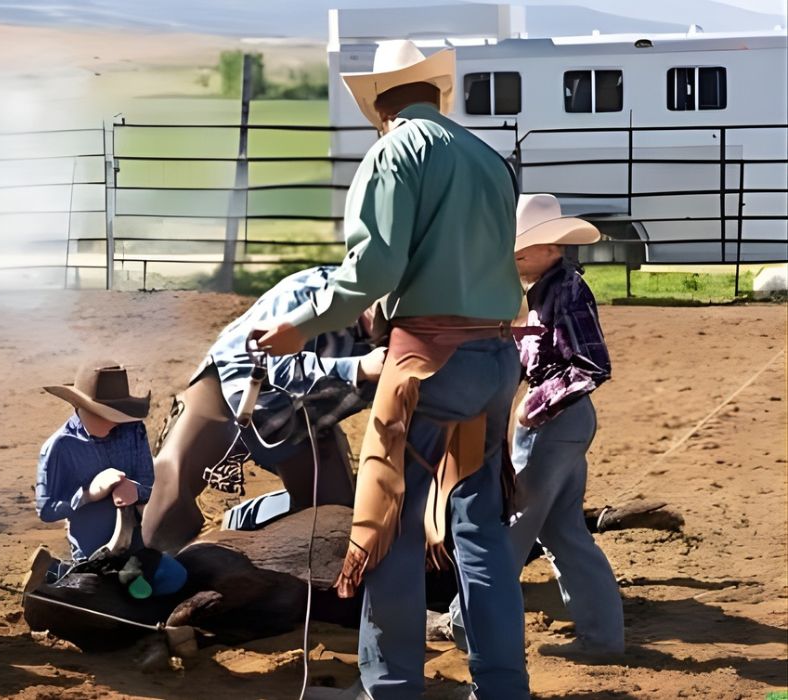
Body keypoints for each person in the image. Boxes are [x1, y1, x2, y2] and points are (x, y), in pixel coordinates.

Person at [253, 40, 528, 698]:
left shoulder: (394, 151)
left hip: (426, 364)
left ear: (380, 104)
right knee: (480, 533)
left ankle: (394, 686)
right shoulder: (490, 161)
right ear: (435, 94)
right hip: (494, 358)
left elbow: (373, 269)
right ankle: (502, 685)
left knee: (390, 532)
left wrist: (301, 325)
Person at [448, 194, 624, 657]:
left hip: (554, 424)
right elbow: (550, 353)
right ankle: (602, 638)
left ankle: (463, 624)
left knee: (514, 524)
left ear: (550, 248)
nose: (517, 263)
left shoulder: (566, 290)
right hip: (562, 424)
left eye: (522, 254)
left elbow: (592, 364)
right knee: (564, 532)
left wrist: (537, 403)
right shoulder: (549, 289)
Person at [141, 265, 387, 553]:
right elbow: (274, 365)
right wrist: (358, 367)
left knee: (335, 515)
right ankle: (131, 567)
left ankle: (247, 523)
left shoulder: (417, 335)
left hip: (305, 419)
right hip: (231, 390)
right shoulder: (305, 292)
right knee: (164, 508)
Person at [27, 361, 187, 598]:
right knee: (101, 593)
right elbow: (47, 510)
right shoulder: (59, 446)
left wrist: (136, 490)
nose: (115, 422)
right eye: (106, 415)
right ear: (80, 407)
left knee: (172, 579)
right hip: (92, 551)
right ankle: (58, 573)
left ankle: (63, 574)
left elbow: (149, 484)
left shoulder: (134, 430)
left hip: (133, 544)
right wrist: (90, 493)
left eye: (119, 415)